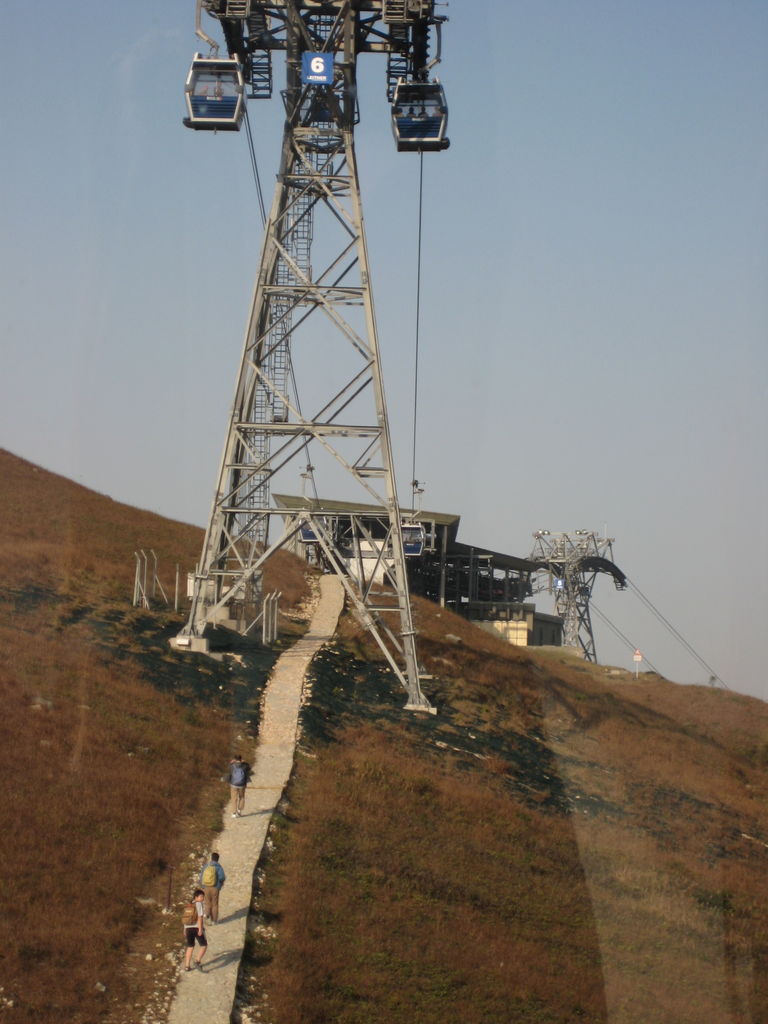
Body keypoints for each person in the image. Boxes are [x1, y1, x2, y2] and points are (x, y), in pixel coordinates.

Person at [183, 889, 207, 972]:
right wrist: (200, 929)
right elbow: (200, 917)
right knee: (204, 945)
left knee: (190, 947)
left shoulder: (189, 905)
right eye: (201, 896)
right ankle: (197, 961)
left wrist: (184, 929)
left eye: (203, 896)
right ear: (196, 897)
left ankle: (187, 966)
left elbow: (185, 918)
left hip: (188, 928)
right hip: (196, 928)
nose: (202, 898)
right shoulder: (199, 904)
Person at [199, 851, 226, 923]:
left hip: (206, 887)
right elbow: (222, 877)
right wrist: (220, 885)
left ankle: (207, 916)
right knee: (214, 904)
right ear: (218, 859)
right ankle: (214, 920)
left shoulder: (206, 866)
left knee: (207, 903)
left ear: (211, 858)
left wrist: (202, 886)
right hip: (215, 888)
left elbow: (201, 876)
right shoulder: (219, 867)